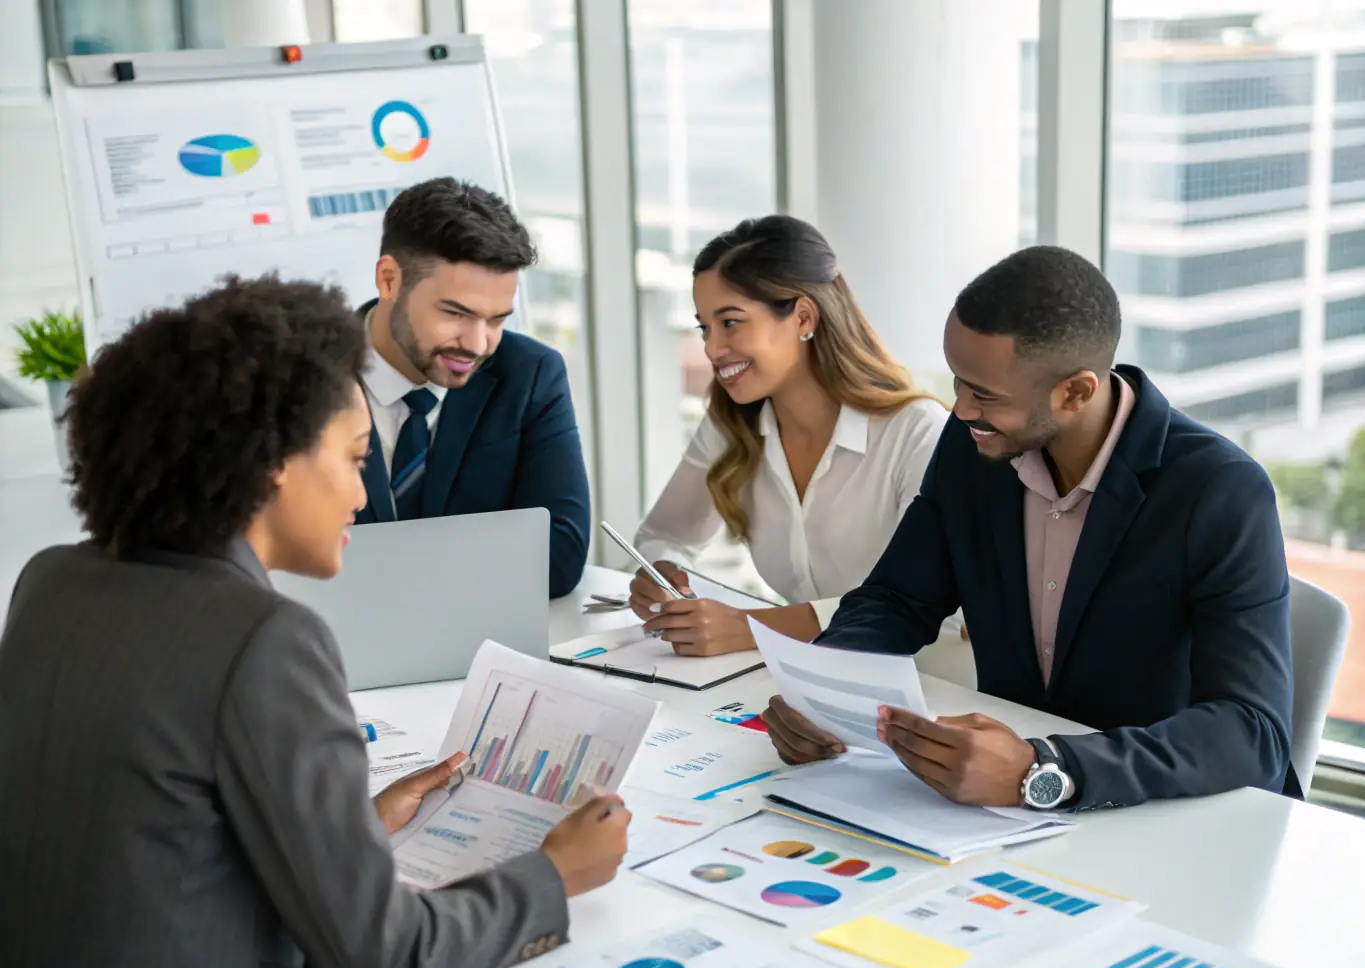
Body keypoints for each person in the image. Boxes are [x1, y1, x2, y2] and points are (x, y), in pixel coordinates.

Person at [0, 276, 630, 968]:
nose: (363, 496)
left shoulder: (52, 581)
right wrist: (553, 874)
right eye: (353, 456)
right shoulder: (264, 640)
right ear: (274, 461)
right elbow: (386, 960)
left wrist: (349, 825)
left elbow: (158, 823)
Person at [761, 246, 1297, 812]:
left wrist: (1046, 770)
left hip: (1171, 815)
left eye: (984, 394)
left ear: (1076, 392)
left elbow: (1251, 731)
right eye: (959, 383)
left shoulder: (1220, 490)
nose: (961, 409)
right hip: (1001, 817)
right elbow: (898, 597)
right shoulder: (975, 446)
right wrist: (824, 690)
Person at [629, 215, 948, 656]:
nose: (711, 348)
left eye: (731, 322)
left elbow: (921, 604)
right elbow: (665, 537)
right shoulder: (731, 423)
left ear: (802, 317)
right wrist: (665, 575)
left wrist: (749, 627)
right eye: (705, 327)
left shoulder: (916, 433)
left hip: (926, 682)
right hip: (807, 674)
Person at [357, 177, 590, 598]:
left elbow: (560, 557)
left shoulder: (529, 374)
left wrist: (372, 563)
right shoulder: (295, 377)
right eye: (456, 313)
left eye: (497, 319)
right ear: (389, 280)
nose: (478, 344)